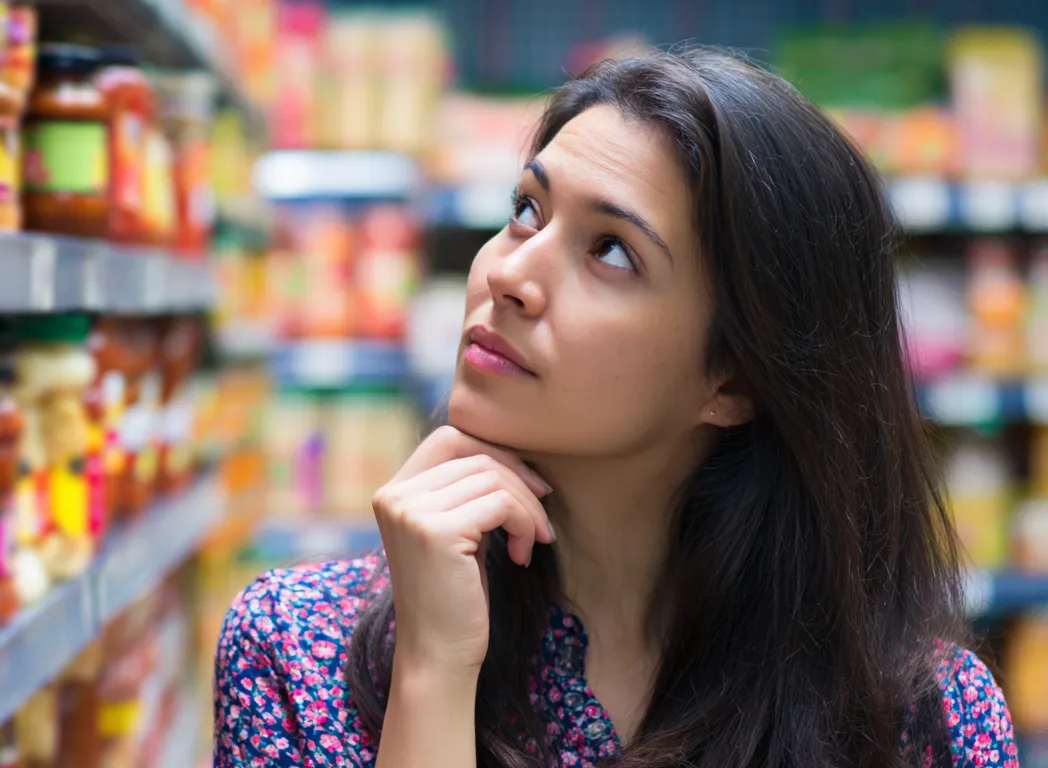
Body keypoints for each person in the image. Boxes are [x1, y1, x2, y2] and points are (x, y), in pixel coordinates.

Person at [213, 48, 1016, 768]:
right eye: (527, 209)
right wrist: (432, 670)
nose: (509, 274)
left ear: (733, 381)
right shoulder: (293, 652)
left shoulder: (923, 721)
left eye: (610, 251)